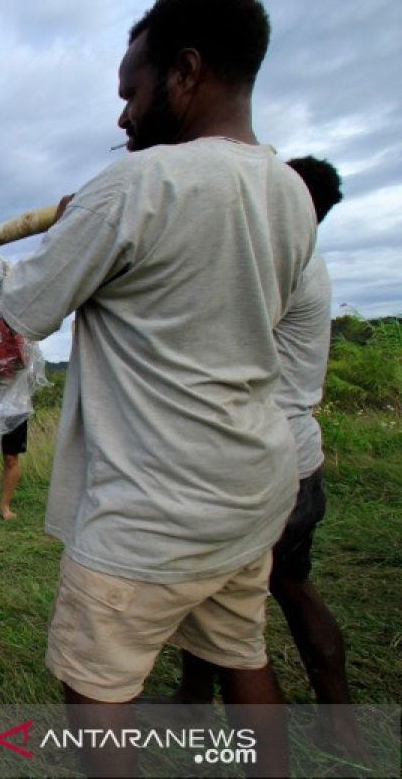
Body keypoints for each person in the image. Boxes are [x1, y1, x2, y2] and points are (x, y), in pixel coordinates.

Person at [0, 0, 314, 774]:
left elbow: (22, 311)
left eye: (131, 91)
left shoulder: (136, 185)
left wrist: (77, 221)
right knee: (244, 654)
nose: (123, 116)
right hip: (250, 487)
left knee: (95, 685)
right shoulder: (289, 192)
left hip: (151, 507)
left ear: (186, 73)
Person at [173, 156, 364, 754]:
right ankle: (340, 724)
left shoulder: (274, 265)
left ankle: (218, 719)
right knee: (288, 585)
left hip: (257, 461)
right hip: (301, 458)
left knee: (226, 604)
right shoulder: (311, 265)